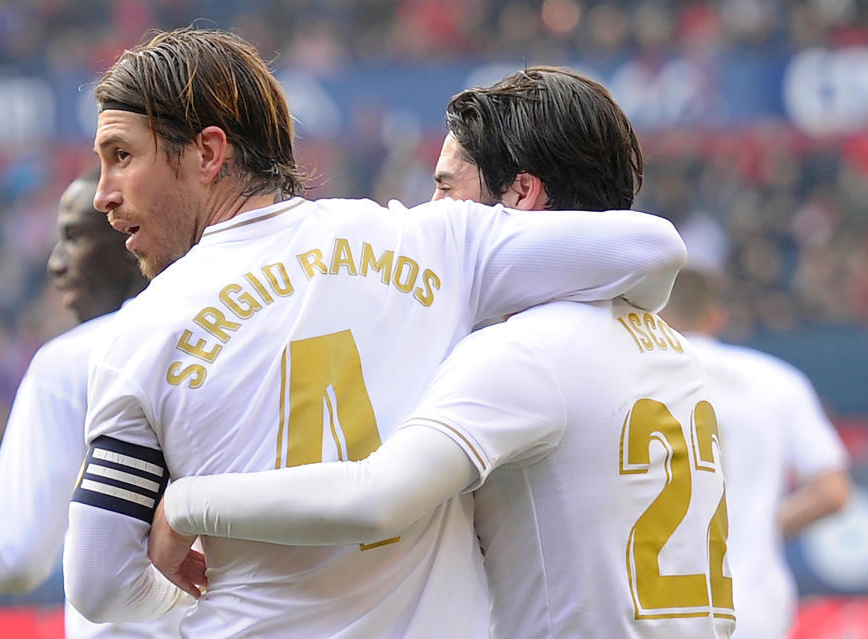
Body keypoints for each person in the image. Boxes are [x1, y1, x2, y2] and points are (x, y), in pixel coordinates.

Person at [61, 31, 687, 638]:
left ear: (208, 153)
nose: (104, 195)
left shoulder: (137, 334)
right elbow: (651, 247)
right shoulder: (431, 244)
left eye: (122, 156)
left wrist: (190, 587)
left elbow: (98, 582)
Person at [0, 168, 187, 638]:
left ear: (130, 240)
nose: (56, 263)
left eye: (74, 237)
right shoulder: (233, 339)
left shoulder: (74, 361)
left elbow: (11, 557)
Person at [659, 268, 850, 639]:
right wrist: (761, 523)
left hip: (655, 607)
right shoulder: (775, 379)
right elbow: (833, 491)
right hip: (750, 604)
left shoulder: (627, 376)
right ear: (716, 315)